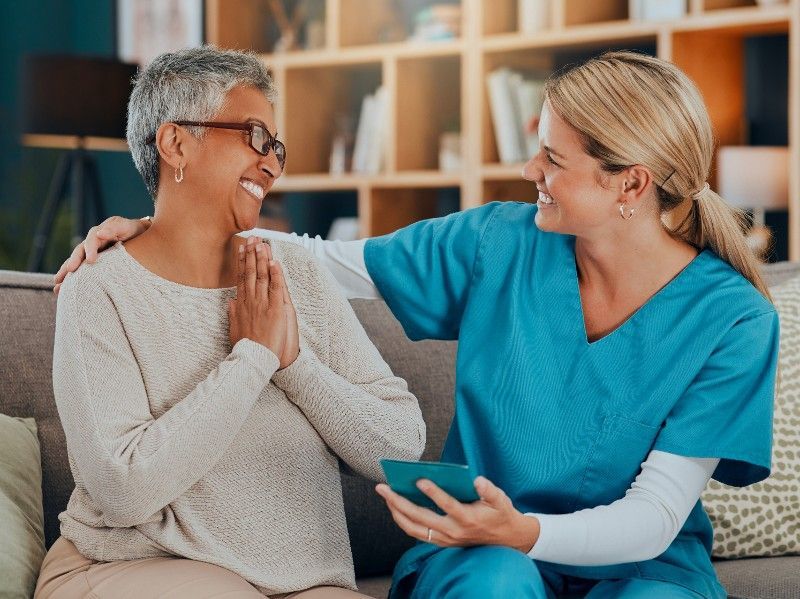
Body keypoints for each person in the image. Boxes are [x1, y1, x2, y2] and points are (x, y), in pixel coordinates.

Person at [55, 51, 780, 599]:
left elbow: (653, 518)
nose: (530, 168)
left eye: (554, 158)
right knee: (496, 581)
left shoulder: (733, 318)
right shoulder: (501, 241)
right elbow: (331, 262)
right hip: (476, 547)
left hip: (640, 558)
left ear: (630, 184)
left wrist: (525, 529)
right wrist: (158, 227)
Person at [38, 46, 426, 599]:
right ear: (176, 143)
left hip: (300, 580)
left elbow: (400, 447)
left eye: (277, 147)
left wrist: (292, 363)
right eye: (254, 136)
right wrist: (252, 360)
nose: (271, 163)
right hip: (133, 563)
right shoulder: (101, 287)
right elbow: (123, 489)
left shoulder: (295, 274)